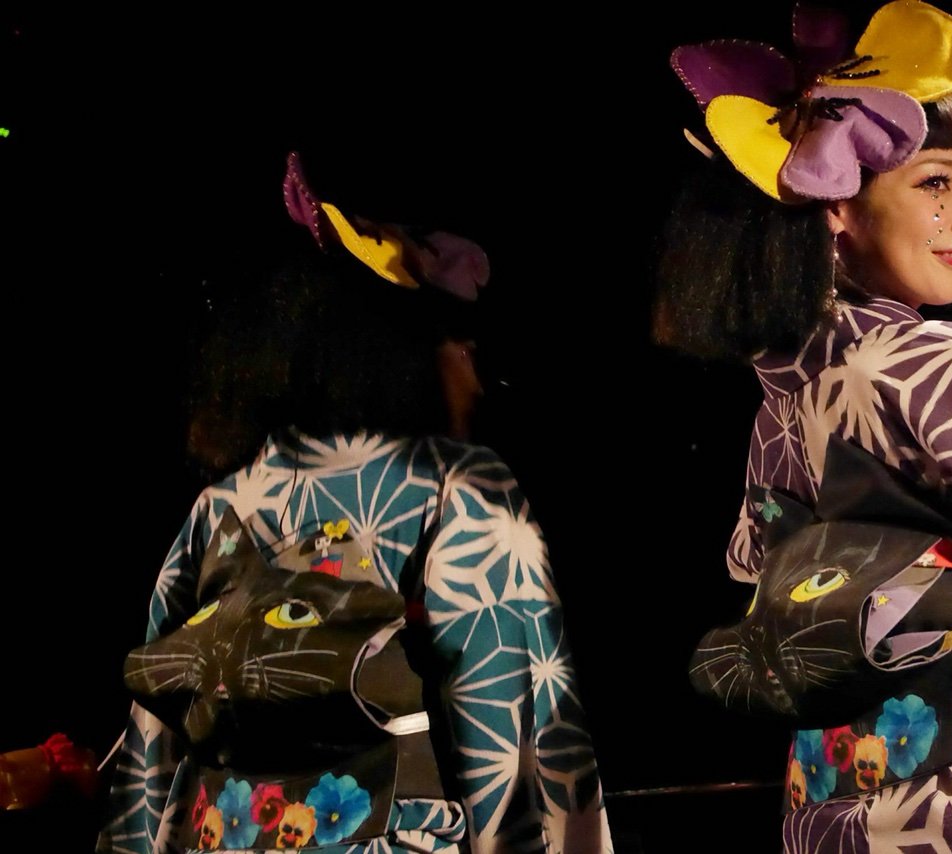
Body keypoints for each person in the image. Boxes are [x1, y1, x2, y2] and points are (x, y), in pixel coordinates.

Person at [659, 2, 952, 851]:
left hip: (828, 808)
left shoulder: (786, 394)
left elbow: (758, 568)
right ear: (836, 205)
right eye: (934, 184)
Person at [97, 152, 612, 853]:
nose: (476, 376)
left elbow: (152, 742)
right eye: (461, 345)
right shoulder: (455, 488)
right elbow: (512, 723)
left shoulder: (220, 505)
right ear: (402, 348)